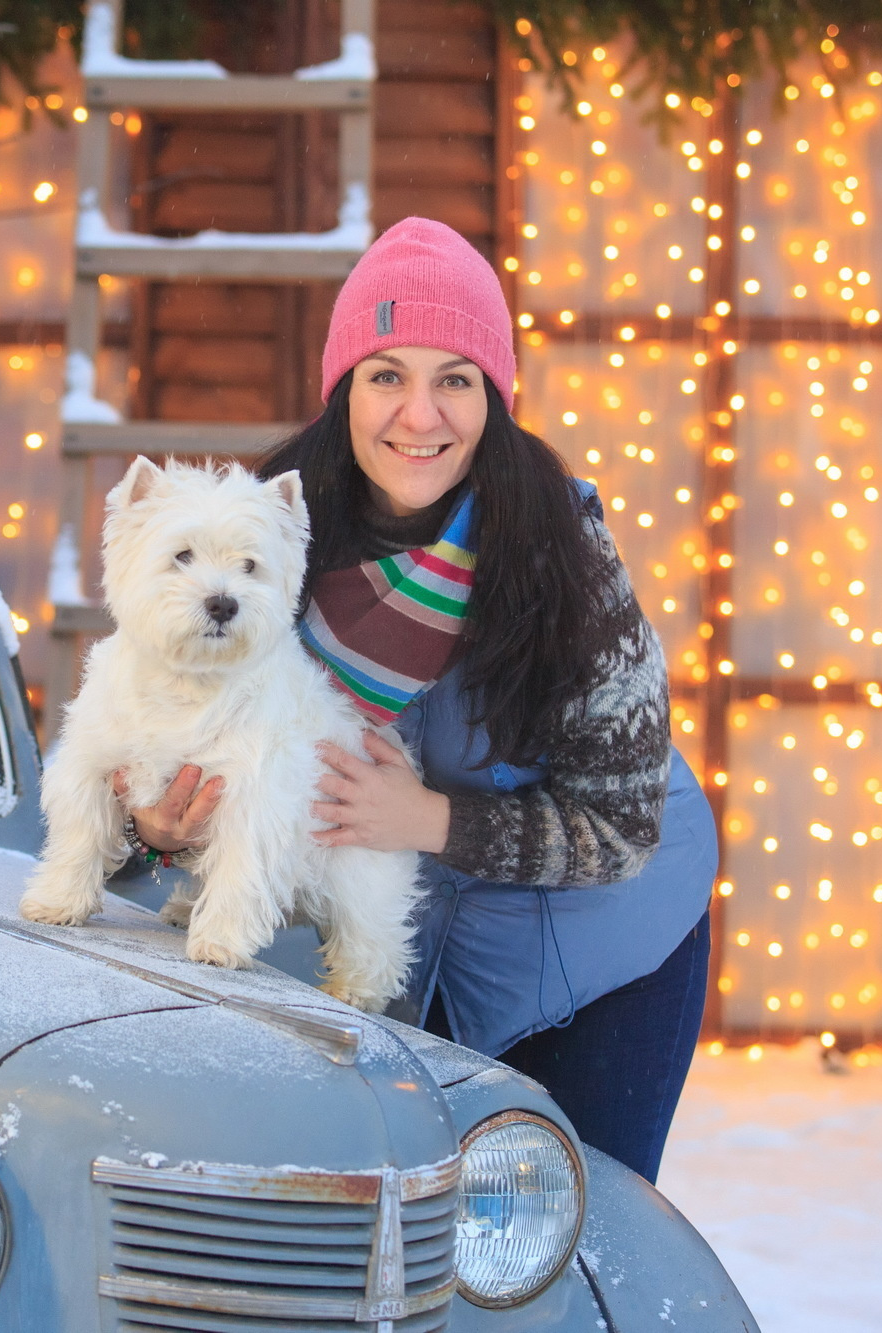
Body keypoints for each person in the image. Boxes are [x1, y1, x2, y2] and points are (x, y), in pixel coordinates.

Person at [121, 217, 716, 1185]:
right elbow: (179, 728)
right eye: (386, 373)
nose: (418, 414)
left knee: (561, 1245)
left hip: (596, 949)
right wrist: (151, 832)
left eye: (454, 379)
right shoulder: (267, 533)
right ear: (343, 389)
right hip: (392, 936)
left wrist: (426, 817)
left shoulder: (560, 557)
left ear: (493, 397)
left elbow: (622, 825)